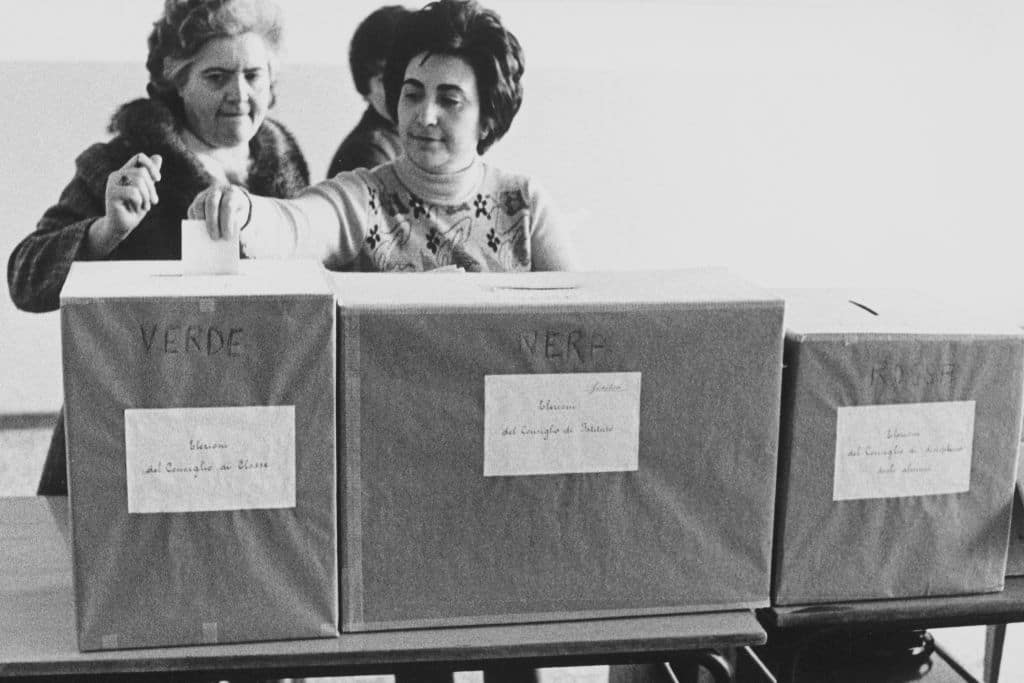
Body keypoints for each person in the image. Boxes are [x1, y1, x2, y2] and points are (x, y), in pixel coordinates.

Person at [6, 0, 309, 496]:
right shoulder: (124, 162)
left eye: (254, 75)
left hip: (249, 427)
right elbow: (25, 276)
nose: (240, 94)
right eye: (216, 77)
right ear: (177, 80)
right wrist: (104, 232)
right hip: (134, 428)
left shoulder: (283, 159)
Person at [190, 0, 577, 275]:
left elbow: (583, 323)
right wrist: (243, 212)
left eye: (449, 100)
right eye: (412, 94)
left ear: (489, 117)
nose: (425, 115)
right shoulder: (362, 199)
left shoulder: (525, 207)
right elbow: (295, 225)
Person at [326, 4, 411, 177]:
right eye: (384, 79)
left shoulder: (411, 137)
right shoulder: (368, 152)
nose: (399, 87)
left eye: (406, 73)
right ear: (365, 87)